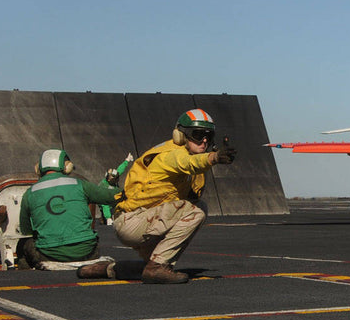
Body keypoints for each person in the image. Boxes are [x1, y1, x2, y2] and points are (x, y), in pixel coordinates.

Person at [78, 109, 236, 284]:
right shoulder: (171, 154)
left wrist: (208, 158)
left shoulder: (192, 159)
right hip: (134, 219)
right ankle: (157, 267)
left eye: (209, 136)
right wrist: (213, 157)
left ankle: (107, 269)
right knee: (198, 210)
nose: (204, 141)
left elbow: (193, 181)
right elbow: (188, 164)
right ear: (181, 135)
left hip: (144, 218)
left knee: (147, 266)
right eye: (198, 135)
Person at [17, 149, 120, 269]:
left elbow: (25, 230)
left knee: (22, 244)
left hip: (48, 255)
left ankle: (26, 273)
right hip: (87, 252)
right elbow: (109, 196)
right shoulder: (80, 184)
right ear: (67, 167)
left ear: (38, 169)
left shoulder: (30, 193)